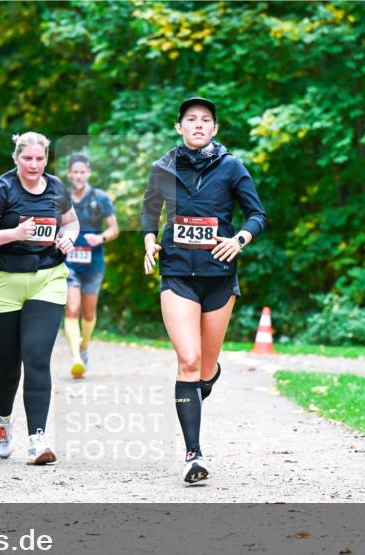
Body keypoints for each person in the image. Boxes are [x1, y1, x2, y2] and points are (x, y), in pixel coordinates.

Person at [141, 97, 267, 485]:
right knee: (189, 361)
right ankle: (193, 455)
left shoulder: (231, 166)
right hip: (177, 273)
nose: (198, 124)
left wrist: (240, 239)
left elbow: (257, 214)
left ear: (215, 128)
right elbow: (149, 212)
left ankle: (203, 383)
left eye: (205, 120)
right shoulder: (162, 168)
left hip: (219, 278)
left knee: (205, 369)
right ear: (179, 127)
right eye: (191, 119)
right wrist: (149, 242)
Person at [0, 132, 80, 465]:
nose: (34, 165)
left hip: (47, 278)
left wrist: (68, 238)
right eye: (27, 158)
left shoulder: (57, 188)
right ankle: (4, 422)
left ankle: (37, 441)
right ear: (16, 158)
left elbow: (72, 224)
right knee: (8, 364)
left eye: (40, 159)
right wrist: (15, 233)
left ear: (46, 159)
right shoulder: (2, 189)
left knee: (36, 358)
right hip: (3, 281)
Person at [63, 154, 119, 379]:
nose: (78, 176)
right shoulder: (62, 198)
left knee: (88, 312)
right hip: (69, 262)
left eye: (82, 172)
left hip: (93, 263)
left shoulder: (100, 198)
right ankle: (76, 358)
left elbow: (114, 229)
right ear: (69, 174)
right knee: (72, 309)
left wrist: (101, 238)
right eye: (74, 172)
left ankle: (84, 346)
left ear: (88, 173)